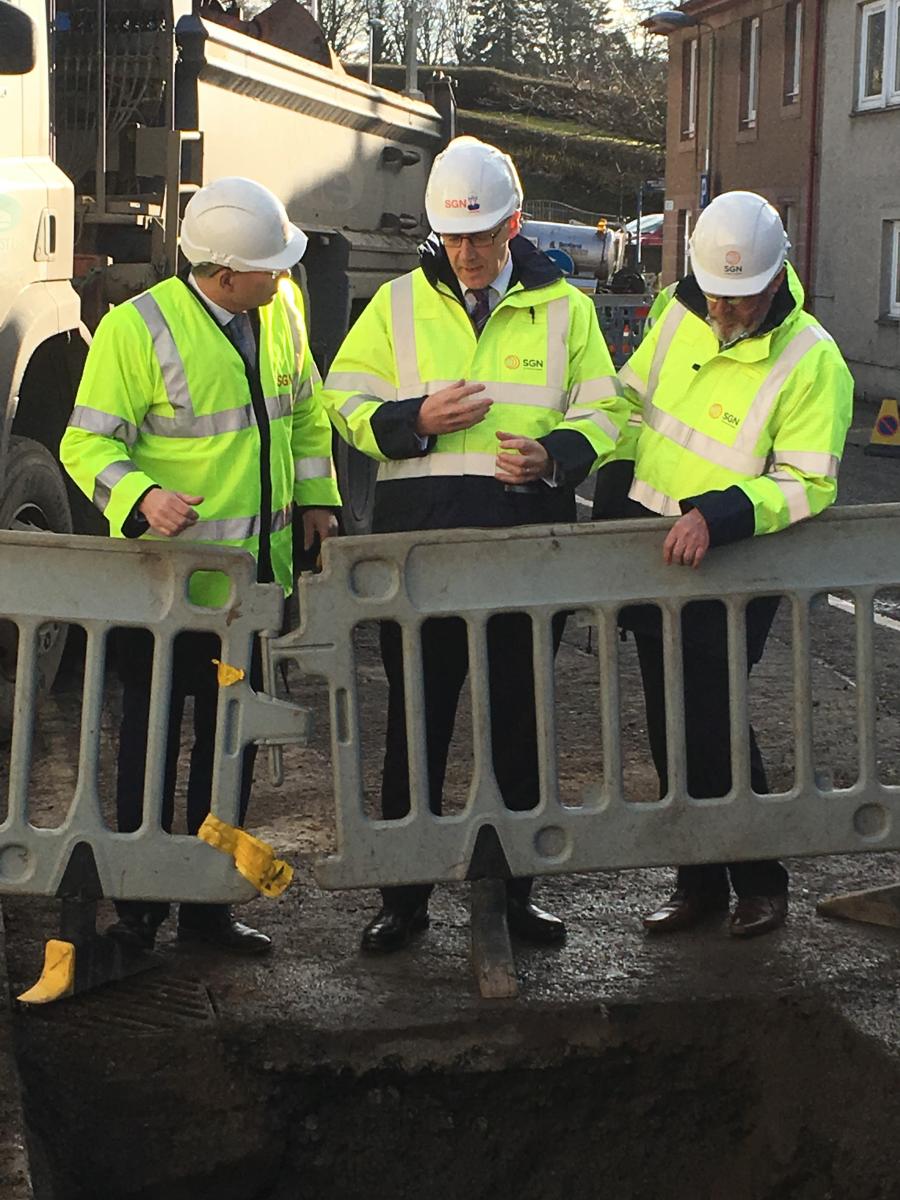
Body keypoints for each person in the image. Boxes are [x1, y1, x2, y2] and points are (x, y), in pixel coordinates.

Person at [323, 136, 626, 953]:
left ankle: (514, 895)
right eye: (451, 238)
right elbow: (342, 403)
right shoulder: (393, 306)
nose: (464, 254)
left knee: (519, 731)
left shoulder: (568, 311)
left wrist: (558, 455)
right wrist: (411, 422)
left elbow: (608, 411)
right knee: (415, 730)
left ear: (514, 225)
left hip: (527, 554)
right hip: (419, 560)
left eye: (479, 237)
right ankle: (404, 898)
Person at [60, 177, 340, 954]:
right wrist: (144, 497)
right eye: (269, 267)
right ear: (222, 274)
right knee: (149, 745)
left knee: (231, 748)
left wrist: (319, 498)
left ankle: (210, 908)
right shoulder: (135, 328)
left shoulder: (279, 310)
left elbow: (306, 411)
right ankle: (142, 909)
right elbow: (86, 444)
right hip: (169, 594)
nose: (283, 277)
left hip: (249, 593)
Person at [602, 190, 853, 938]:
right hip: (653, 547)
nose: (725, 310)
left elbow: (807, 481)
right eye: (716, 293)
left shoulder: (813, 357)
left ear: (777, 280)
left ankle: (759, 881)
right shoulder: (680, 311)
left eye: (741, 299)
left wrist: (720, 514)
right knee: (667, 726)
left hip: (731, 562)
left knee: (709, 723)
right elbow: (631, 401)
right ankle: (700, 883)